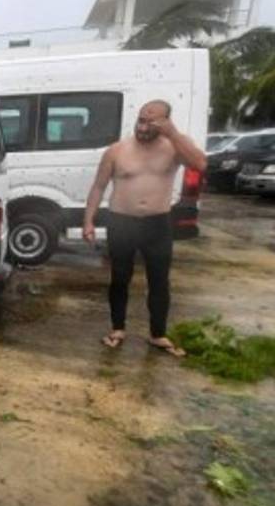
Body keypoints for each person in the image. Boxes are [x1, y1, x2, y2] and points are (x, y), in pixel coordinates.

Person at [83, 100, 208, 356]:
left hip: (158, 224)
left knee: (159, 281)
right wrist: (89, 221)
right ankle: (117, 328)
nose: (143, 125)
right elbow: (98, 187)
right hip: (121, 221)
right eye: (141, 119)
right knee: (119, 278)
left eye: (151, 121)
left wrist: (173, 133)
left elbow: (200, 164)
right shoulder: (117, 151)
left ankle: (158, 334)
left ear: (165, 122)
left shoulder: (174, 148)